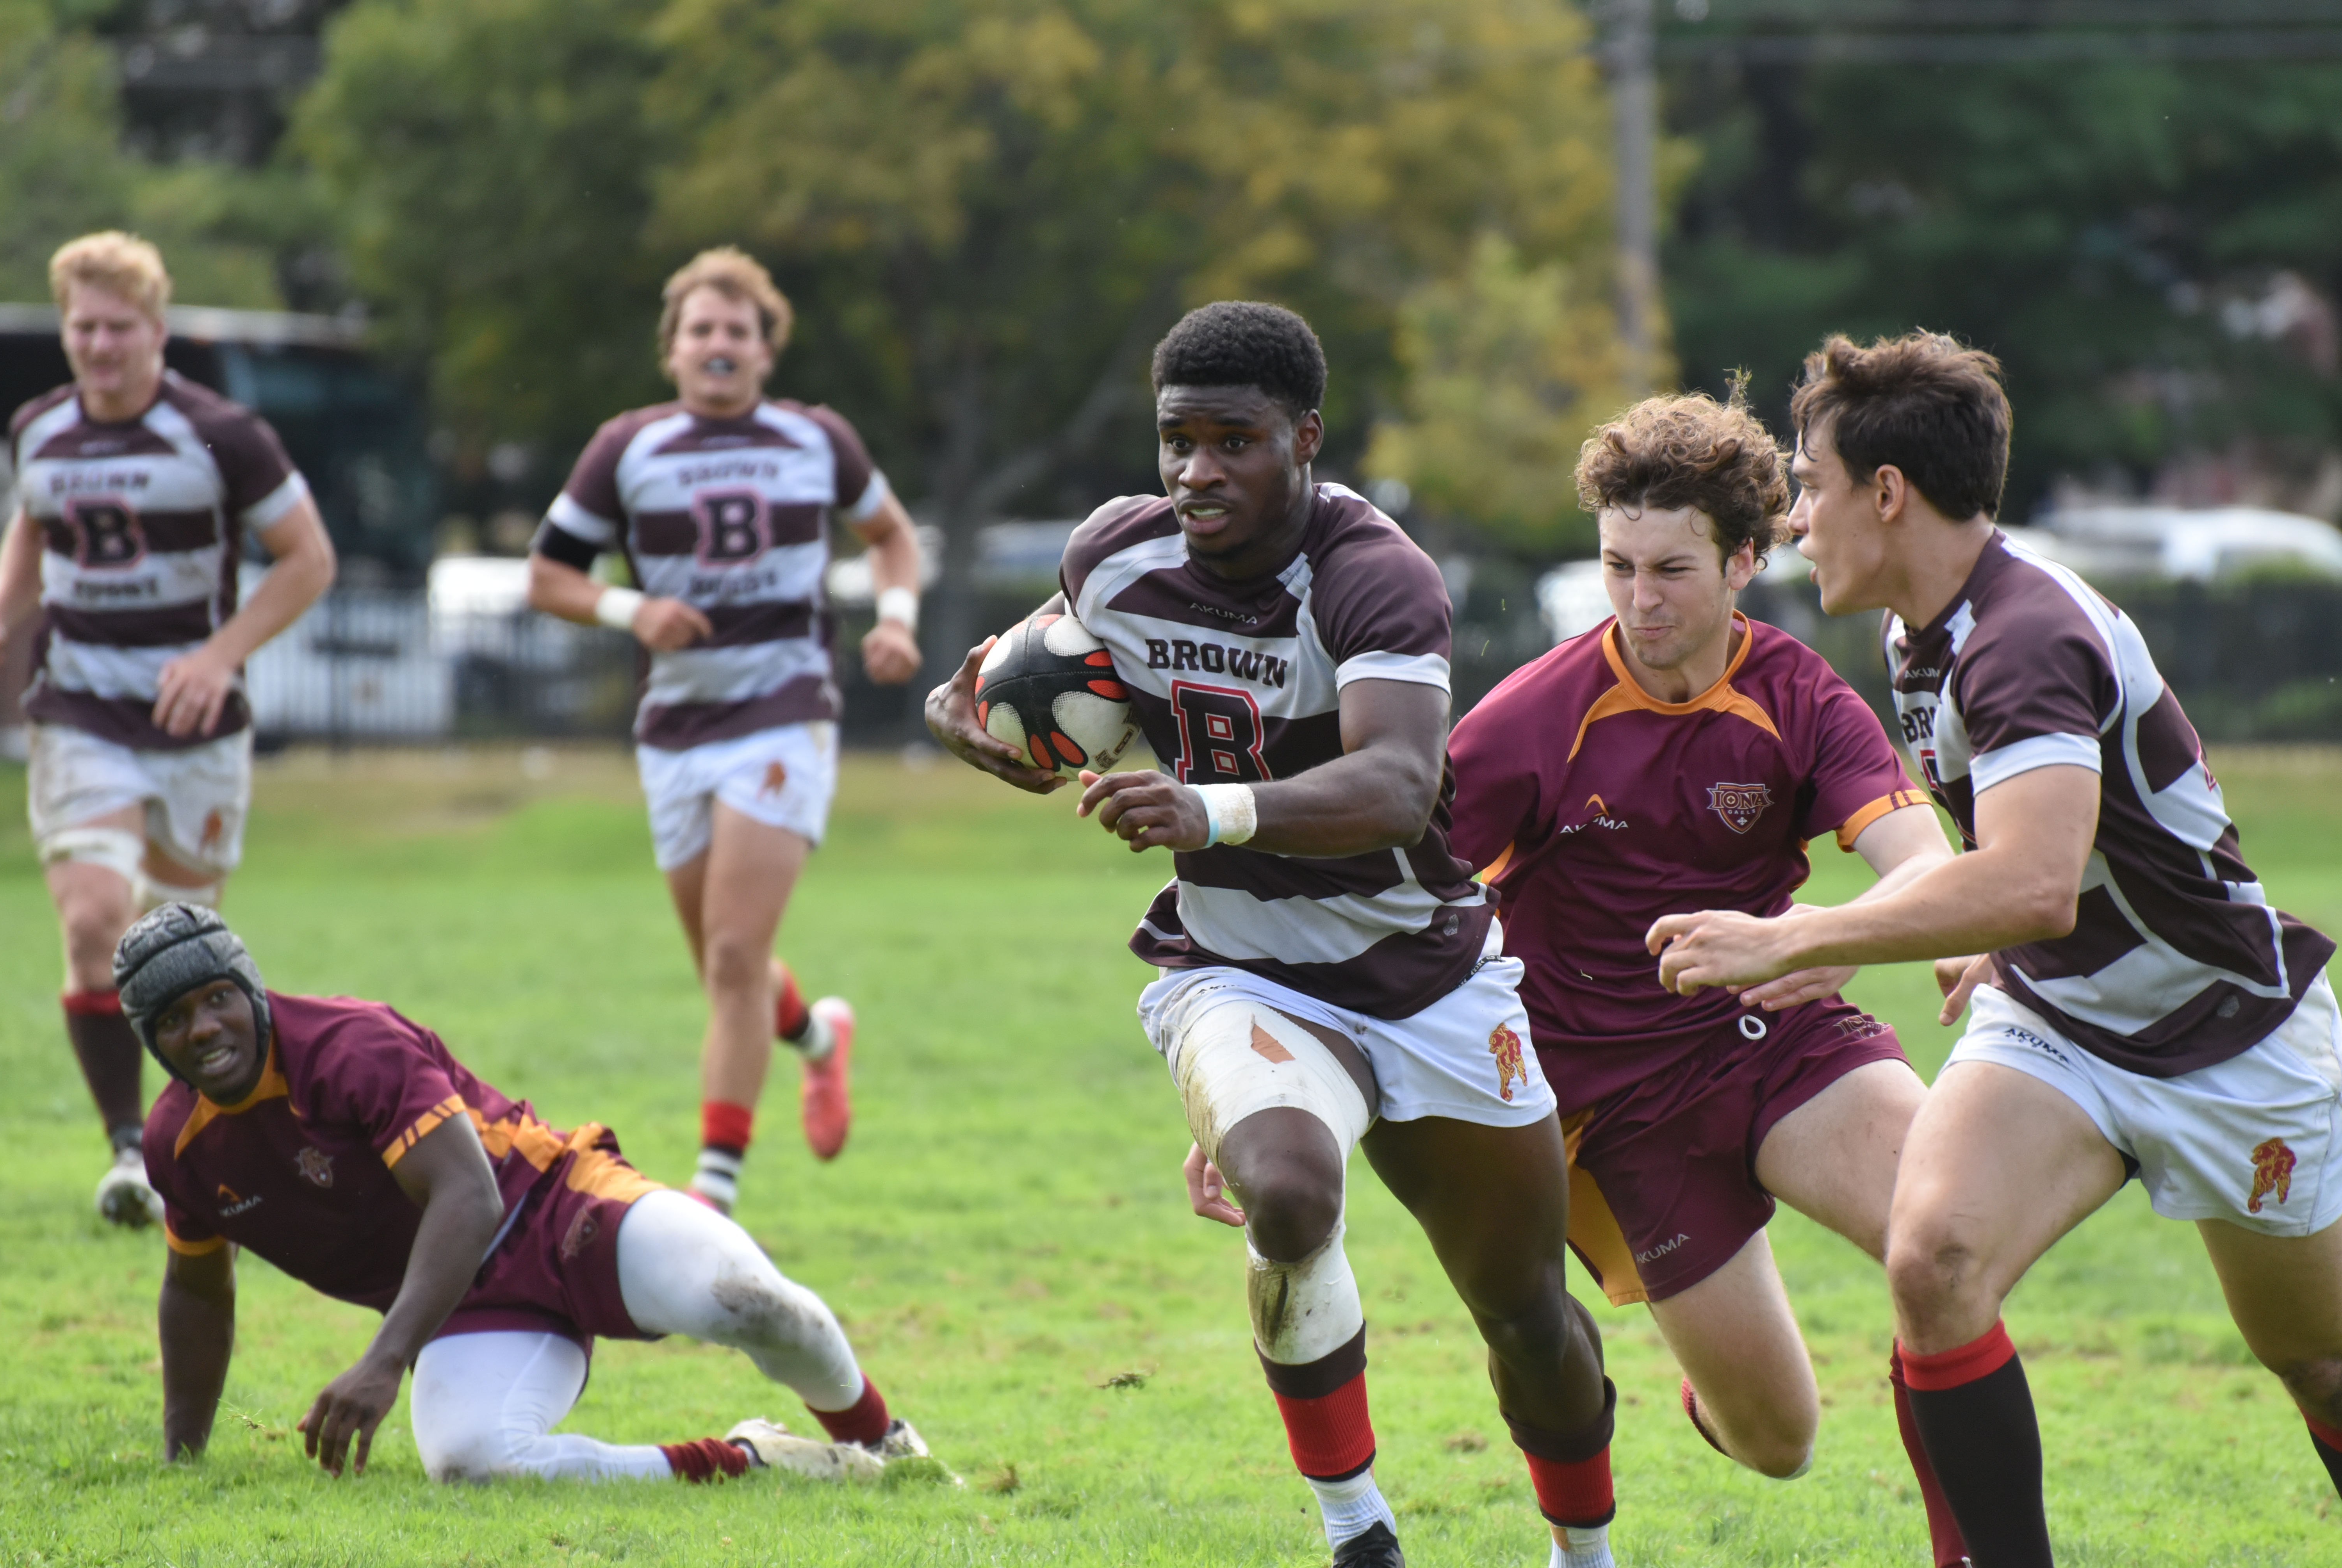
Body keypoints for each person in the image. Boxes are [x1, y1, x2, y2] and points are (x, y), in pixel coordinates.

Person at [927, 301, 1616, 1568]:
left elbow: (1398, 785)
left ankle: (1584, 1550)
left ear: (1303, 439)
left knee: (1524, 1313)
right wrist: (977, 721)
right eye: (1174, 440)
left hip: (1427, 977)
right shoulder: (1112, 560)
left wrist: (1206, 805)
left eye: (1231, 440)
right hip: (1238, 967)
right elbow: (1035, 708)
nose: (1196, 470)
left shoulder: (1374, 575)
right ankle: (1359, 1533)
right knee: (1291, 1198)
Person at [1649, 333, 2342, 1566]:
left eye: (1810, 485)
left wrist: (1808, 935)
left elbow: (2030, 881)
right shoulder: (1922, 629)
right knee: (1935, 1258)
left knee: (2320, 1363)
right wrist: (1981, 935)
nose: (1799, 521)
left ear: (1888, 492)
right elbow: (2030, 871)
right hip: (2064, 1020)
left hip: (2228, 1029)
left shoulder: (2022, 634)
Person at [1440, 389, 1971, 1566]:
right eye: (1619, 565)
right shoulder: (1530, 721)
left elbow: (1916, 855)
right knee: (1779, 1442)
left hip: (1785, 1039)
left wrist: (1891, 933)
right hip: (1625, 1107)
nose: (1640, 599)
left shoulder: (1798, 697)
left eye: (1671, 568)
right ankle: (1716, 1385)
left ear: (1745, 559)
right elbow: (1397, 903)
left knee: (1950, 1240)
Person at [123, 902, 936, 1484]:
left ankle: (886, 1446)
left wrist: (384, 1361)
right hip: (464, 1306)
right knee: (471, 1463)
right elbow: (196, 1293)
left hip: (555, 1209)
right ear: (154, 1044)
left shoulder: (347, 1046)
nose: (202, 1028)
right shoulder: (177, 1143)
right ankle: (752, 1459)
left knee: (751, 1301)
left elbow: (469, 1198)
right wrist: (180, 1458)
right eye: (173, 1019)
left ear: (251, 990)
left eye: (217, 998)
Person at [527, 248, 924, 1205]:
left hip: (784, 712)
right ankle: (820, 1039)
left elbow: (893, 538)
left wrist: (896, 621)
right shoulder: (626, 448)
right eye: (701, 330)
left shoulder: (817, 439)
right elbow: (547, 576)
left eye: (737, 331)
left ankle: (715, 1188)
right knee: (722, 964)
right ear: (672, 350)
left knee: (737, 954)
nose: (719, 345)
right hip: (674, 727)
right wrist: (632, 611)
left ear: (765, 350)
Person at [0, 232, 337, 1230]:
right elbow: (31, 532)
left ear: (157, 329)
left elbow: (308, 560)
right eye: (82, 326)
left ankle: (198, 1139)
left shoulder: (224, 435)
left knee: (188, 953)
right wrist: (3, 612)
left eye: (119, 327)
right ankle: (122, 1151)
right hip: (81, 705)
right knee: (97, 920)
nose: (99, 346)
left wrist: (220, 654)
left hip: (197, 723)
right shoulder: (40, 430)